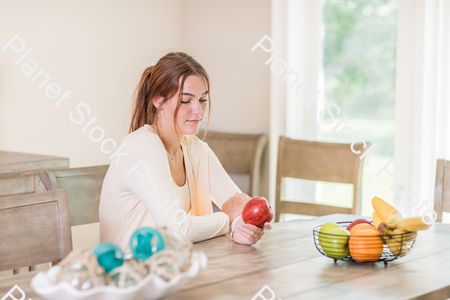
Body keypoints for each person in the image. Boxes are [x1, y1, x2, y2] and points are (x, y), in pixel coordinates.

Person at [99, 52, 271, 254]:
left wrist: (243, 226)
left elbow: (237, 204)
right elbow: (177, 229)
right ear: (158, 101)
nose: (198, 110)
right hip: (129, 276)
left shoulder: (195, 149)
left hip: (172, 268)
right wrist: (228, 219)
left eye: (203, 99)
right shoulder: (143, 145)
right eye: (186, 100)